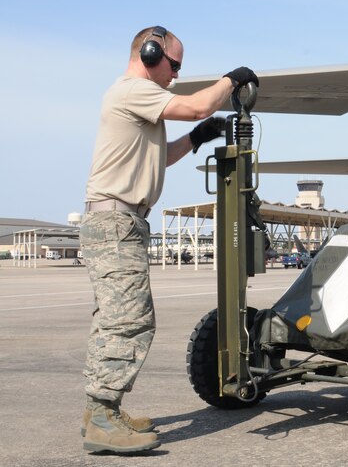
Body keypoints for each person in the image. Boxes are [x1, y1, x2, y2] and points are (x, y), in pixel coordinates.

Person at [80, 26, 259, 453]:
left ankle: (100, 412)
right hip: (116, 223)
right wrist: (232, 80)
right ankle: (102, 418)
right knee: (130, 321)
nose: (175, 75)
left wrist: (197, 139)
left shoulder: (136, 101)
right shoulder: (133, 90)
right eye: (173, 65)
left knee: (113, 320)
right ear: (149, 52)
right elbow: (196, 105)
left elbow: (159, 158)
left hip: (120, 222)